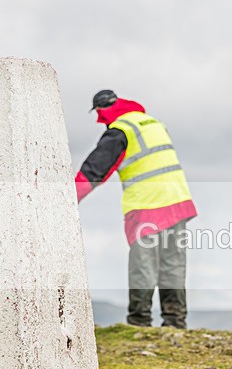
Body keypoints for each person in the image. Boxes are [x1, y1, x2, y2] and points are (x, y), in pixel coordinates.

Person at [75, 90, 197, 329]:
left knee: (143, 265)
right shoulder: (152, 123)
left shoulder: (120, 131)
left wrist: (65, 201)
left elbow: (94, 171)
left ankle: (139, 322)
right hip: (178, 200)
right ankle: (175, 323)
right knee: (173, 263)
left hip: (147, 205)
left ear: (100, 112)